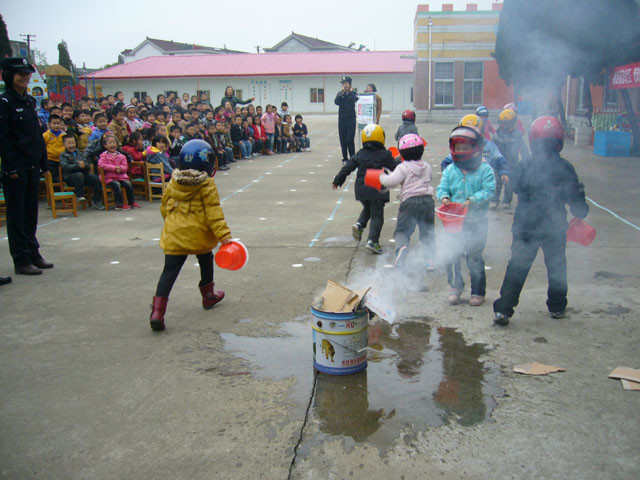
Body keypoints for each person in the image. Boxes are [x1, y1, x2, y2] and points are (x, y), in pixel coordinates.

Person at [493, 116, 589, 326]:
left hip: (525, 225)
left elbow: (514, 188)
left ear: (533, 140)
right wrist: (580, 206)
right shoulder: (565, 168)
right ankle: (557, 307)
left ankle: (503, 310)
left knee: (517, 266)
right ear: (559, 140)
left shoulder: (524, 164)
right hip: (554, 227)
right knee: (557, 267)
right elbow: (579, 208)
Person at [149, 139, 232, 331]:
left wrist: (172, 225)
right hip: (198, 235)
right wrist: (224, 236)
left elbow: (164, 208)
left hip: (175, 235)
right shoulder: (206, 184)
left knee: (169, 272)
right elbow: (214, 213)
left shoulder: (173, 181)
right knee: (205, 258)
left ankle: (157, 312)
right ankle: (208, 295)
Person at [0, 57, 54, 276]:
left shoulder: (29, 102)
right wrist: (10, 167)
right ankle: (21, 259)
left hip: (32, 165)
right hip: (16, 167)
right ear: (9, 76)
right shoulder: (5, 103)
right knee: (17, 215)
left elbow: (36, 136)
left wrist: (43, 162)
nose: (24, 77)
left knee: (31, 213)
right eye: (20, 74)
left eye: (27, 74)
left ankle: (33, 253)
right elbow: (4, 139)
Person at [436, 125, 495, 306]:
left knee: (474, 256)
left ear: (475, 148)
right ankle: (455, 288)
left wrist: (474, 199)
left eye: (465, 147)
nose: (461, 151)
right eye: (458, 148)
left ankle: (478, 292)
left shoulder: (485, 169)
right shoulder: (450, 170)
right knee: (452, 254)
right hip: (454, 221)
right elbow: (442, 187)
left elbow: (490, 190)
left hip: (476, 221)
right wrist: (444, 197)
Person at [332, 124, 398, 254]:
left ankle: (359, 224)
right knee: (377, 215)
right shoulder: (385, 154)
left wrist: (338, 180)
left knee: (368, 208)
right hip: (376, 186)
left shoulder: (360, 154)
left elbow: (348, 167)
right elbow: (395, 167)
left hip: (361, 188)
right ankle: (373, 241)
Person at [379, 134, 434, 267]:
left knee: (403, 231)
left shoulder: (403, 167)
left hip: (409, 202)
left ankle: (402, 250)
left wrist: (381, 176)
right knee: (427, 232)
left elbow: (391, 182)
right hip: (427, 201)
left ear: (402, 153)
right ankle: (430, 259)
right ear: (421, 150)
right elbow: (429, 178)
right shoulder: (426, 166)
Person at [492, 108, 530, 208]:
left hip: (512, 164)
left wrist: (526, 161)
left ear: (513, 123)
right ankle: (494, 200)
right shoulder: (496, 135)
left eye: (507, 124)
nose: (504, 126)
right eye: (502, 123)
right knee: (496, 182)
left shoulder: (517, 135)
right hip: (498, 163)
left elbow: (524, 149)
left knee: (509, 184)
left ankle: (506, 201)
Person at [60, 134, 104, 209]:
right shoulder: (63, 155)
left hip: (83, 175)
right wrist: (78, 165)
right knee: (79, 175)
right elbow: (65, 167)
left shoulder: (79, 153)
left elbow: (87, 164)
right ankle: (79, 195)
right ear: (64, 144)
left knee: (95, 178)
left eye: (73, 143)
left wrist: (85, 166)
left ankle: (97, 200)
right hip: (70, 177)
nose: (72, 145)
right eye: (69, 143)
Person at [98, 134, 139, 210]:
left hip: (120, 177)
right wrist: (114, 168)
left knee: (128, 184)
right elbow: (101, 165)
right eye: (110, 143)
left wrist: (120, 168)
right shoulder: (103, 156)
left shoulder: (121, 156)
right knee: (116, 185)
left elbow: (125, 167)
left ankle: (131, 202)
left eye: (114, 142)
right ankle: (119, 204)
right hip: (109, 178)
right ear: (105, 145)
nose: (112, 144)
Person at [334, 76, 358, 163]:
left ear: (350, 84)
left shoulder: (354, 93)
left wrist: (349, 92)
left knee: (350, 139)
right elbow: (336, 102)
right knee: (343, 139)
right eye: (343, 84)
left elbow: (354, 99)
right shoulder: (340, 93)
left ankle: (352, 157)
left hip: (351, 120)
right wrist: (342, 94)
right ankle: (345, 158)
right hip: (342, 120)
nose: (344, 85)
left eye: (346, 83)